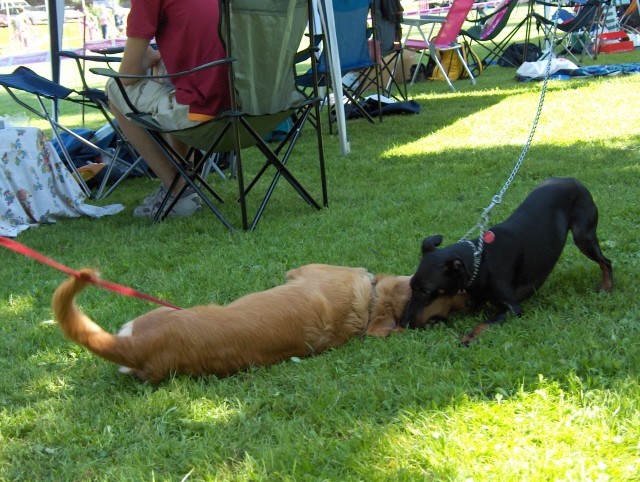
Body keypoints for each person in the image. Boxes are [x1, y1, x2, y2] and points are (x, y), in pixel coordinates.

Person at [106, 0, 230, 218]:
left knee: (115, 88)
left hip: (204, 115)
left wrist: (151, 56)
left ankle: (177, 190)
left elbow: (127, 75)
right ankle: (186, 182)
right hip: (257, 111)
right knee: (173, 83)